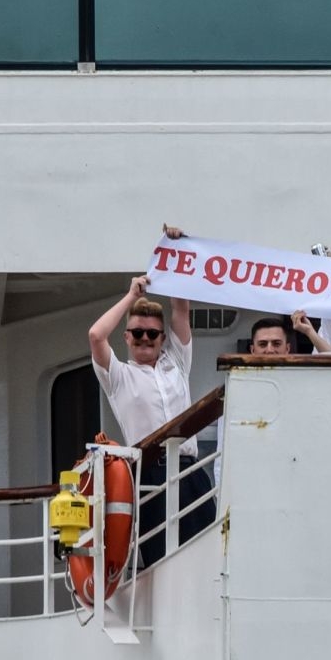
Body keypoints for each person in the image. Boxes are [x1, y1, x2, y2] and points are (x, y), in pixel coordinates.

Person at [87, 226, 214, 564]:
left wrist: (178, 250)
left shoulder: (177, 362)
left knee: (206, 556)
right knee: (161, 560)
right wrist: (131, 296)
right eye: (138, 332)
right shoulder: (119, 377)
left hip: (189, 470)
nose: (146, 338)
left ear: (162, 336)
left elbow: (181, 311)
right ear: (127, 337)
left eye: (153, 333)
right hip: (150, 477)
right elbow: (96, 335)